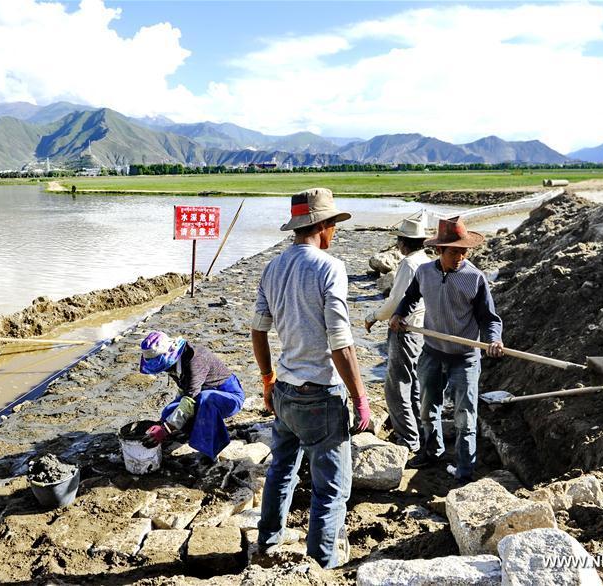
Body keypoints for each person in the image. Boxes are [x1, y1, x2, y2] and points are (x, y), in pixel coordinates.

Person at [251, 187, 371, 569]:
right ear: (322, 226)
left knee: (281, 471)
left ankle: (267, 542)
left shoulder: (273, 267)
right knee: (331, 488)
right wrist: (360, 397)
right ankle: (321, 566)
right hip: (321, 394)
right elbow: (340, 342)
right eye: (332, 224)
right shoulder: (329, 267)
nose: (334, 231)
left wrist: (268, 379)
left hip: (285, 390)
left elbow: (258, 329)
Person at [390, 216, 503, 485]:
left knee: (465, 416)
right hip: (431, 352)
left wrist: (493, 339)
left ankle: (465, 468)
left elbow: (489, 318)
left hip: (464, 358)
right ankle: (433, 451)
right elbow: (410, 297)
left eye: (464, 251)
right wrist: (398, 314)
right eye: (454, 251)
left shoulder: (474, 278)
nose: (460, 257)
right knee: (429, 408)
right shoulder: (425, 272)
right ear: (439, 250)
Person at [364, 211, 429, 452]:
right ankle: (420, 432)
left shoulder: (409, 264)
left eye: (399, 240)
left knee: (396, 387)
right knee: (413, 383)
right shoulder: (426, 261)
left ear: (403, 242)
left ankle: (408, 439)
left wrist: (372, 317)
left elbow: (395, 303)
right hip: (421, 330)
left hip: (405, 329)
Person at [139, 330, 244, 460]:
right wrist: (164, 422)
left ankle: (212, 449)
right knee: (168, 413)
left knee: (205, 399)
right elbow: (184, 392)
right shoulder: (175, 364)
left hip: (228, 396)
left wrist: (166, 429)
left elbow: (189, 399)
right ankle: (195, 433)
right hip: (199, 395)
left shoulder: (195, 361)